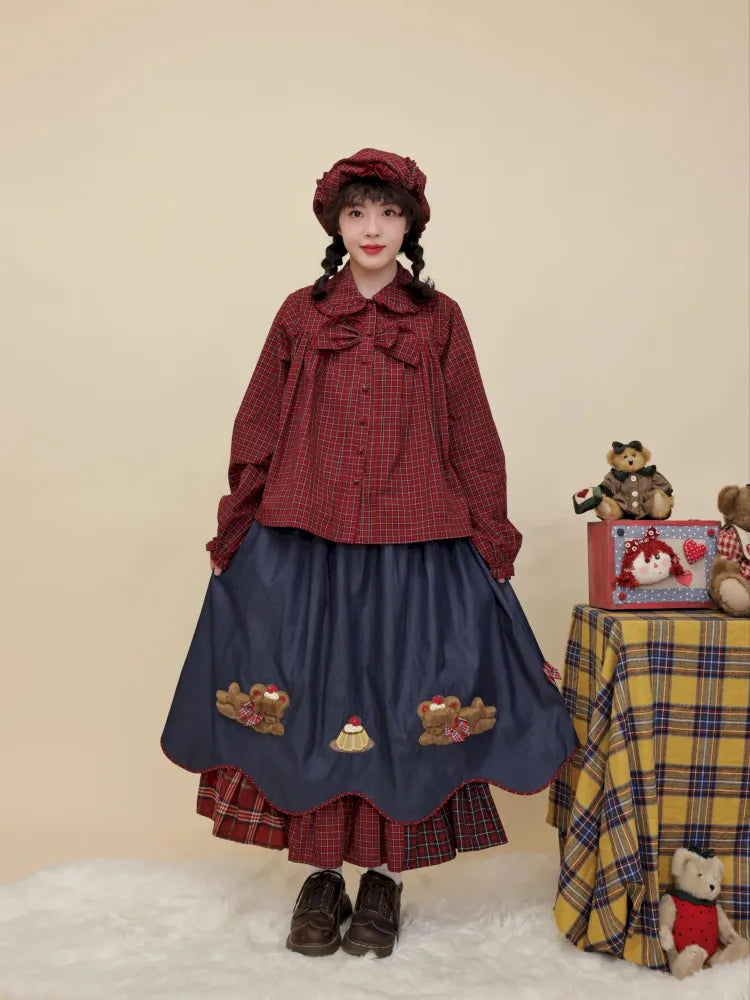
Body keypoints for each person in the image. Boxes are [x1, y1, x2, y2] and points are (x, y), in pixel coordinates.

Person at [161, 148, 577, 959]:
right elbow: (258, 421)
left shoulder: (441, 318)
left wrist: (491, 537)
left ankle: (384, 881)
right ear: (336, 225)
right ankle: (321, 879)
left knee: (398, 697)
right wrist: (237, 522)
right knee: (315, 698)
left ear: (411, 224)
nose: (373, 228)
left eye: (388, 213)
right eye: (357, 213)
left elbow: (474, 432)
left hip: (417, 543)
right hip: (305, 538)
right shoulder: (300, 313)